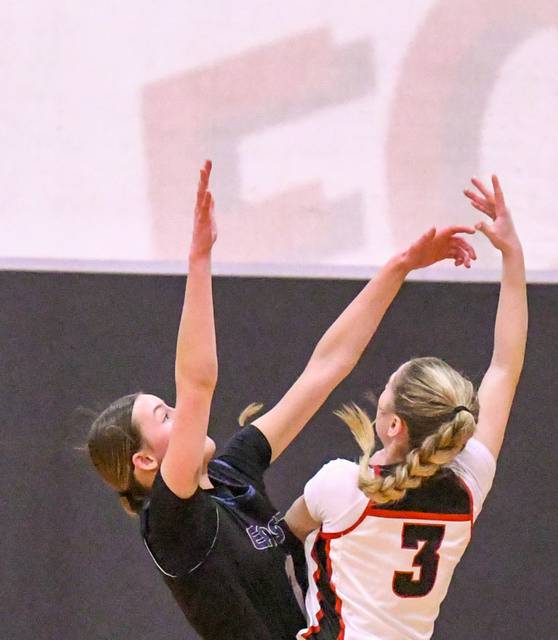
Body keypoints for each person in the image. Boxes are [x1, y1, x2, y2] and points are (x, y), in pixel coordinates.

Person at [86, 160, 478, 640]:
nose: (182, 413)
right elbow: (197, 383)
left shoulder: (232, 474)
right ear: (146, 459)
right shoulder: (172, 522)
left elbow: (325, 368)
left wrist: (400, 266)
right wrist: (199, 260)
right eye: (165, 416)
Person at [285, 175, 528, 640]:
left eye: (386, 390)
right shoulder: (469, 481)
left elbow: (276, 544)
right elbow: (504, 368)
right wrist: (512, 256)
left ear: (393, 424)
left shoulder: (342, 486)